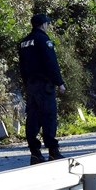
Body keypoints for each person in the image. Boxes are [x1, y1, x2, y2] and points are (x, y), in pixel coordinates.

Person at [19, 13, 66, 164]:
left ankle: (35, 153)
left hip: (31, 86)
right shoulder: (44, 40)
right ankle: (53, 151)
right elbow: (51, 63)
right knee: (49, 117)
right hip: (44, 86)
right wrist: (59, 82)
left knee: (33, 118)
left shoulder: (24, 42)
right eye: (47, 24)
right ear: (43, 24)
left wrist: (27, 84)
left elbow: (22, 67)